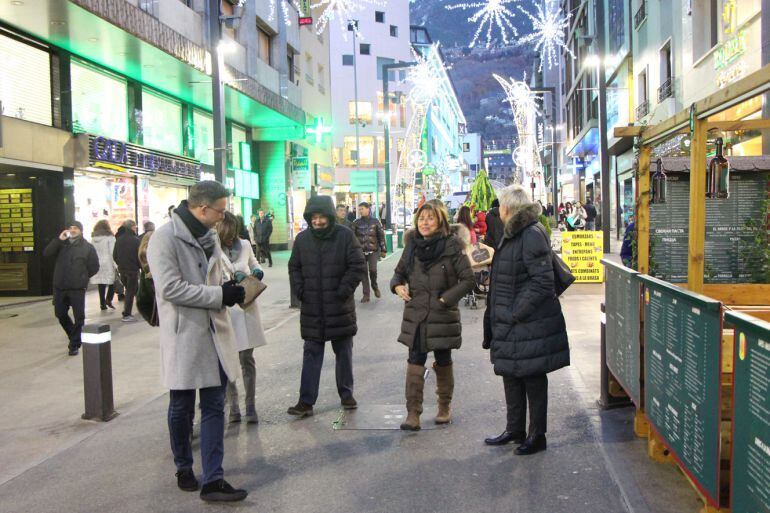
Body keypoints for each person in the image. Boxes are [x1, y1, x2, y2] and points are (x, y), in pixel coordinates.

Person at [147, 181, 248, 502]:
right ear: (202, 208)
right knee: (181, 405)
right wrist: (219, 294)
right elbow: (171, 289)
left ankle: (214, 479)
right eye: (220, 210)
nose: (223, 217)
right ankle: (183, 466)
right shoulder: (163, 239)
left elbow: (215, 275)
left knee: (215, 405)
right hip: (185, 335)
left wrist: (231, 285)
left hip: (215, 333)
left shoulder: (211, 236)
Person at [483, 185, 570, 455]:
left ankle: (537, 435)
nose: (498, 212)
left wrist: (513, 312)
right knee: (511, 373)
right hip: (512, 323)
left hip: (527, 322)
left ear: (508, 208)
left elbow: (542, 283)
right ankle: (515, 429)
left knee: (532, 378)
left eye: (500, 207)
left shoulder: (530, 234)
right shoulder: (514, 233)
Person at [391, 202, 475, 430]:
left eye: (430, 218)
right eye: (421, 219)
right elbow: (397, 275)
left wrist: (445, 299)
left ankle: (444, 407)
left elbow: (468, 279)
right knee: (414, 362)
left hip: (442, 315)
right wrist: (397, 286)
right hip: (416, 315)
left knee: (443, 360)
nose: (424, 223)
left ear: (440, 222)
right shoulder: (411, 247)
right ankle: (413, 413)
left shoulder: (452, 246)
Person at [287, 195, 365, 418]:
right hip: (312, 309)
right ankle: (306, 401)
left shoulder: (345, 236)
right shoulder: (302, 240)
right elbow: (294, 268)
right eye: (314, 217)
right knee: (311, 354)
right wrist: (300, 291)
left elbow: (357, 265)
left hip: (340, 307)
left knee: (344, 354)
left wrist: (343, 291)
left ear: (330, 217)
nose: (318, 221)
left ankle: (346, 395)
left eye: (322, 217)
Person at [217, 212, 267, 424]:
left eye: (233, 233)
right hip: (225, 311)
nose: (231, 238)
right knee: (228, 362)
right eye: (227, 235)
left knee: (247, 359)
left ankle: (250, 406)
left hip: (246, 308)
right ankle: (233, 407)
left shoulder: (245, 245)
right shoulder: (212, 250)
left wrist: (256, 272)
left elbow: (256, 264)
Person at [43, 221, 99, 356]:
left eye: (76, 228)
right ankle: (73, 336)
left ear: (81, 230)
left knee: (79, 317)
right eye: (70, 228)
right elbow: (46, 254)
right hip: (60, 286)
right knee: (60, 314)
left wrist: (82, 277)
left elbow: (94, 267)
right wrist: (58, 240)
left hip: (77, 287)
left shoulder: (88, 247)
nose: (73, 230)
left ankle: (74, 344)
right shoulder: (61, 244)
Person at [352, 202, 387, 302]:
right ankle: (366, 295)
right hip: (361, 252)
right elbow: (353, 238)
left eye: (362, 209)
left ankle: (374, 286)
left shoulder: (375, 221)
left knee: (373, 270)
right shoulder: (356, 222)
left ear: (368, 209)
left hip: (373, 251)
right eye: (359, 209)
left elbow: (381, 236)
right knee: (363, 273)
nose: (360, 211)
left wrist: (383, 249)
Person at [113, 220, 141, 323]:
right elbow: (139, 256)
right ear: (132, 227)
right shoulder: (136, 240)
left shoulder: (119, 240)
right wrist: (140, 266)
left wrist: (120, 264)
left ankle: (144, 307)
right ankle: (127, 314)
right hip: (132, 270)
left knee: (134, 290)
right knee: (130, 291)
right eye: (135, 226)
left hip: (122, 269)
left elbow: (114, 255)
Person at [90, 220, 116, 311]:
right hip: (108, 262)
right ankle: (108, 299)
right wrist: (116, 264)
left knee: (101, 284)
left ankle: (102, 304)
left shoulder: (93, 238)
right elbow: (113, 252)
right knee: (112, 281)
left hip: (97, 262)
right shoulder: (110, 237)